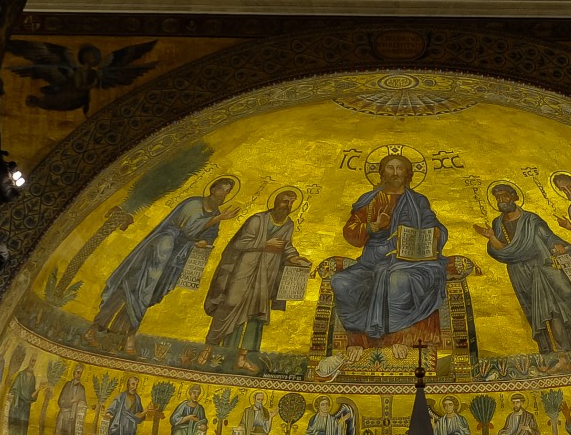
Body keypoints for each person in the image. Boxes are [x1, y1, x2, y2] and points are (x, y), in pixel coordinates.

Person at [91, 175, 240, 353]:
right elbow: (187, 228)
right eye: (222, 188)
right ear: (212, 188)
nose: (224, 193)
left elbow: (208, 235)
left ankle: (120, 334)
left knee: (149, 294)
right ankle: (96, 330)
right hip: (159, 251)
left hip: (174, 259)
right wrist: (214, 221)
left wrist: (203, 241)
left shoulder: (216, 213)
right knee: (131, 289)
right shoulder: (193, 204)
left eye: (227, 191)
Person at [330, 152, 447, 356]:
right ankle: (358, 340)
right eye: (390, 168)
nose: (395, 172)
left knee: (397, 280)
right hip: (372, 261)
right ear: (382, 172)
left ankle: (400, 338)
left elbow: (433, 225)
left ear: (408, 173)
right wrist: (373, 226)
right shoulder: (369, 200)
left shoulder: (418, 201)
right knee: (342, 282)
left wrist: (435, 232)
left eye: (400, 168)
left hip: (411, 261)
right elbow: (350, 232)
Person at [474, 182, 571, 359]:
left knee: (566, 301)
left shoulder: (531, 220)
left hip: (545, 267)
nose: (501, 200)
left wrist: (558, 245)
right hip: (520, 273)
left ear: (514, 197)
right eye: (498, 198)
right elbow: (503, 250)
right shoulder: (498, 224)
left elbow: (548, 237)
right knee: (539, 312)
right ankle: (558, 355)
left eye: (505, 196)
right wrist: (491, 238)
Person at [200, 187, 306, 371]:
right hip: (245, 269)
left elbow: (286, 246)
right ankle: (208, 347)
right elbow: (240, 243)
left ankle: (242, 358)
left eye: (291, 203)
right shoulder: (258, 220)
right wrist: (265, 244)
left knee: (256, 315)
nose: (287, 206)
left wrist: (294, 257)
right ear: (275, 201)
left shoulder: (288, 225)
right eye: (284, 201)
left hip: (267, 273)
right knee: (230, 304)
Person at [51, 365, 87, 435]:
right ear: (73, 373)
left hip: (73, 420)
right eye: (77, 372)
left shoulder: (81, 388)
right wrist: (71, 402)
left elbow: (84, 404)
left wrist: (80, 403)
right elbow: (60, 402)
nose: (78, 374)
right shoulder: (67, 385)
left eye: (80, 373)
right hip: (63, 416)